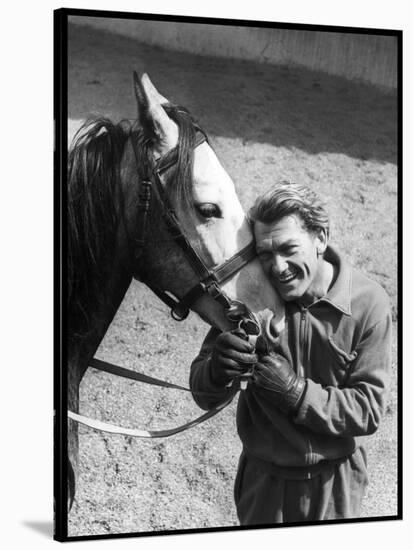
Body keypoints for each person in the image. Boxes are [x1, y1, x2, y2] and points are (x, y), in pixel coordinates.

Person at [189, 182, 392, 524]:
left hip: (334, 487)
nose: (277, 267)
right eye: (265, 254)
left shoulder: (368, 304)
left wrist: (297, 394)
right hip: (264, 485)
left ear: (321, 238)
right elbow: (202, 393)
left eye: (288, 249)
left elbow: (369, 410)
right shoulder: (250, 295)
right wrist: (215, 369)